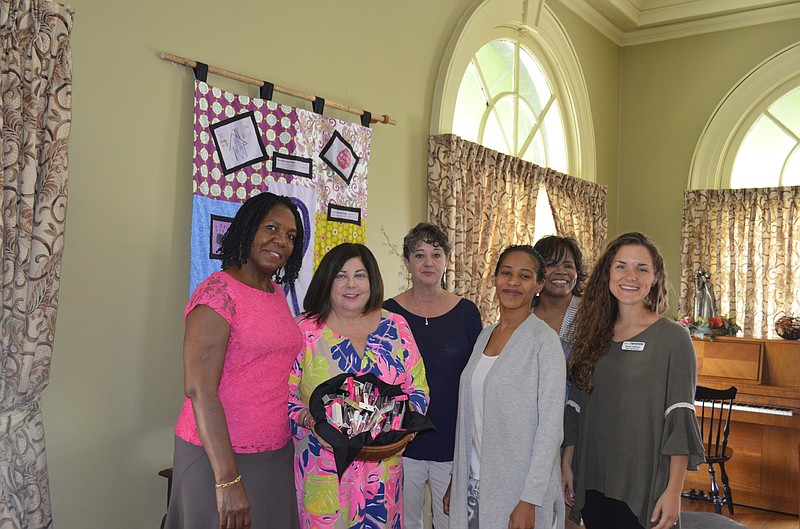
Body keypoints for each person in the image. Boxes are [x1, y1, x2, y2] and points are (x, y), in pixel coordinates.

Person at [165, 192, 305, 529]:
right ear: (246, 229)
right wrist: (227, 480)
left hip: (273, 453)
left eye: (290, 236)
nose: (281, 242)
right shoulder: (218, 293)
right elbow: (200, 390)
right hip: (216, 458)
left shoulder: (275, 295)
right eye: (271, 228)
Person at [561, 232, 704, 529]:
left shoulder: (674, 339)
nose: (631, 276)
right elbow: (576, 406)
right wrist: (567, 464)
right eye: (621, 266)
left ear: (654, 278)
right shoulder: (591, 334)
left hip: (645, 485)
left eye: (642, 269)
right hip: (593, 478)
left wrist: (674, 491)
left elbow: (680, 417)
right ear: (608, 274)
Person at [288, 243, 430, 529]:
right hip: (324, 475)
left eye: (360, 275)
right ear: (327, 281)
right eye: (341, 276)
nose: (351, 284)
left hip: (384, 474)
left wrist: (404, 429)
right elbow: (285, 399)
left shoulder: (396, 326)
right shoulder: (303, 331)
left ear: (372, 280)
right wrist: (309, 421)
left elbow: (418, 390)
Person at [445, 245, 566, 529]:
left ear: (538, 285)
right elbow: (469, 419)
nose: (513, 282)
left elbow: (550, 430)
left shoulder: (544, 342)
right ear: (495, 278)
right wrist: (457, 478)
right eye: (506, 273)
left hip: (518, 491)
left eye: (524, 276)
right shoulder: (484, 337)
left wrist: (530, 500)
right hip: (474, 486)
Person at [382, 223, 482, 529]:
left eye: (436, 254)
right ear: (407, 262)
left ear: (447, 261)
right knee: (404, 522)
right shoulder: (387, 313)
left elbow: (476, 379)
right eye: (420, 255)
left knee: (453, 523)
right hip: (401, 444)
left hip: (452, 444)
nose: (428, 263)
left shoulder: (466, 312)